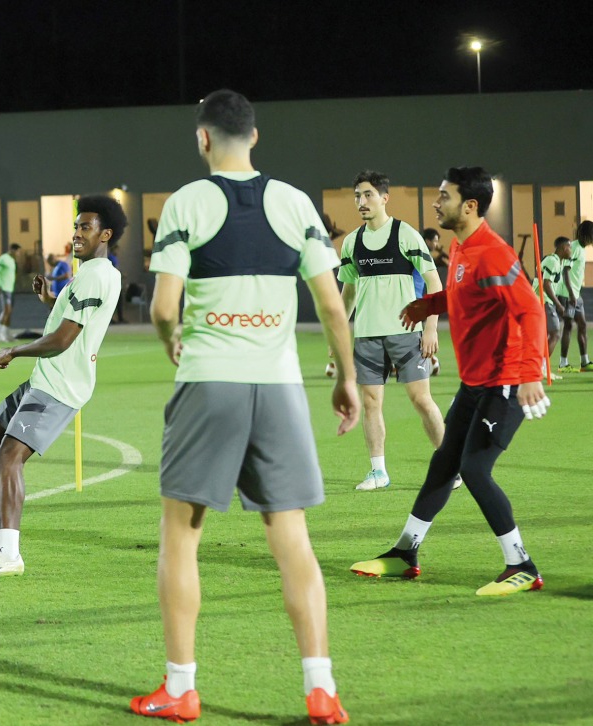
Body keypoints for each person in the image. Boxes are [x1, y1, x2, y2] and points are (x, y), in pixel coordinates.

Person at [130, 90, 358, 725]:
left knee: (182, 537)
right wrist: (343, 377)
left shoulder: (187, 202)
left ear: (203, 140)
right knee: (292, 540)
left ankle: (181, 688)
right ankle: (321, 687)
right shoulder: (294, 202)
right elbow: (333, 306)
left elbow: (162, 307)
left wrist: (172, 341)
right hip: (281, 386)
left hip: (211, 383)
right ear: (254, 137)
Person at [351, 166, 550, 597]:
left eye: (444, 196)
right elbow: (464, 293)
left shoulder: (493, 253)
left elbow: (531, 311)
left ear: (470, 205)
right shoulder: (463, 248)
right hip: (475, 384)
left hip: (506, 383)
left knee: (474, 469)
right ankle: (405, 553)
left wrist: (532, 374)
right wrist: (430, 305)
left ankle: (522, 564)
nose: (437, 202)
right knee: (443, 463)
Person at [0, 195, 123, 578]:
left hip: (60, 384)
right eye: (76, 226)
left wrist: (14, 350)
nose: (77, 233)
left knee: (8, 458)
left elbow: (63, 339)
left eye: (85, 227)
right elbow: (68, 323)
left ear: (106, 234)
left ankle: (10, 554)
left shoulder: (98, 275)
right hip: (44, 379)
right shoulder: (89, 275)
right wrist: (50, 298)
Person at [335, 171, 445, 492]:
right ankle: (378, 472)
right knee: (371, 403)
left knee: (422, 401)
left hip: (405, 333)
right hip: (367, 336)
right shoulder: (352, 242)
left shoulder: (406, 234)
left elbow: (435, 284)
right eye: (357, 196)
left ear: (385, 197)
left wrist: (430, 329)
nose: (361, 202)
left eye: (367, 195)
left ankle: (450, 467)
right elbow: (349, 293)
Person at [533, 237, 571, 378]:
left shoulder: (558, 263)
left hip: (544, 301)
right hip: (541, 300)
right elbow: (546, 283)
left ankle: (540, 368)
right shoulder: (552, 261)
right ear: (562, 248)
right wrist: (559, 305)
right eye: (569, 247)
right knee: (555, 332)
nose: (570, 250)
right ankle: (542, 368)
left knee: (545, 335)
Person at [557, 220, 590, 372]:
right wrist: (570, 293)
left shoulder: (581, 249)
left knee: (582, 325)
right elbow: (565, 271)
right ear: (586, 234)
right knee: (568, 326)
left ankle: (585, 362)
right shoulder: (574, 247)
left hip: (576, 295)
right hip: (568, 295)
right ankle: (563, 363)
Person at [0, 243, 20, 342]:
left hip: (10, 289)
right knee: (6, 310)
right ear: (12, 250)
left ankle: (6, 334)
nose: (18, 254)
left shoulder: (12, 261)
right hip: (4, 288)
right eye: (17, 251)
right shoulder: (3, 258)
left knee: (9, 311)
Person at [108, 242, 127, 323]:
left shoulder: (112, 258)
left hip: (115, 282)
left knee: (118, 301)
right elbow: (113, 270)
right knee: (116, 301)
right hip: (113, 283)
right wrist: (121, 274)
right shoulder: (111, 258)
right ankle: (117, 318)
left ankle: (118, 318)